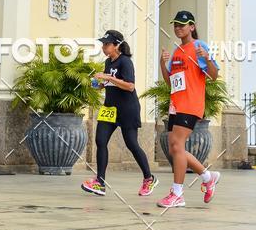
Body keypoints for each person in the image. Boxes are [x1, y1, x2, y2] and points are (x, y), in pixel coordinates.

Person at [81, 30, 158, 198]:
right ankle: (100, 182)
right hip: (110, 109)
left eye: (107, 44)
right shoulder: (108, 61)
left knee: (132, 144)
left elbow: (130, 86)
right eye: (103, 44)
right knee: (100, 140)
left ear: (117, 45)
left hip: (127, 109)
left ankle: (149, 178)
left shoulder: (125, 62)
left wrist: (108, 77)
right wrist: (97, 84)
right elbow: (109, 84)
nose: (103, 47)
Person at [155, 11, 220, 209]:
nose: (178, 28)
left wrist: (207, 58)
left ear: (192, 27)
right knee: (176, 149)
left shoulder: (199, 46)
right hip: (175, 105)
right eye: (176, 25)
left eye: (182, 25)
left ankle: (177, 194)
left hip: (191, 104)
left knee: (176, 145)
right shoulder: (177, 51)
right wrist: (162, 64)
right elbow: (170, 83)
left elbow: (214, 76)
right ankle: (208, 177)